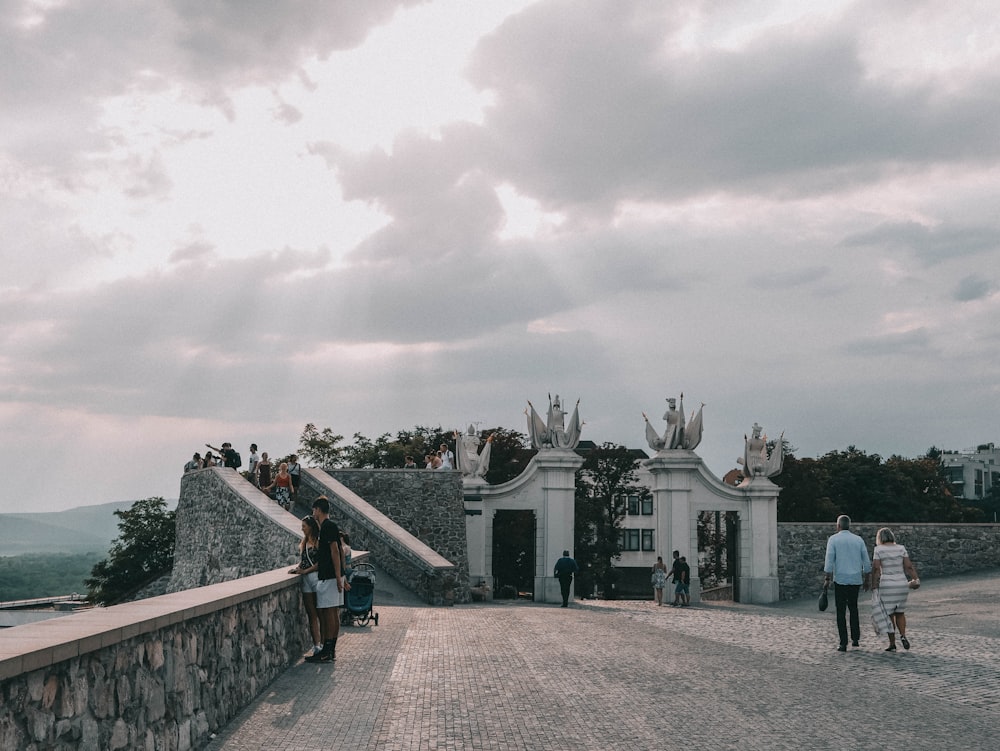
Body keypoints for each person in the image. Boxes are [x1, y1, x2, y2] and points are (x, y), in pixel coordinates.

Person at [306, 496, 348, 662]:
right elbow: (339, 550)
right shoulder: (329, 527)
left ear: (318, 510)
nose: (313, 513)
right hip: (333, 575)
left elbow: (335, 551)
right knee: (332, 612)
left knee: (329, 612)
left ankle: (327, 650)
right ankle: (330, 650)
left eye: (314, 510)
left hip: (329, 576)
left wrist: (338, 577)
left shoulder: (327, 527)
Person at [823, 514, 872, 651]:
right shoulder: (858, 540)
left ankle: (843, 642)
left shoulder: (833, 539)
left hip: (841, 579)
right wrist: (867, 579)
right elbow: (866, 562)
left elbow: (829, 560)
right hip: (855, 579)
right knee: (853, 608)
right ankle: (855, 638)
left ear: (838, 526)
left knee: (841, 611)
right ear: (849, 525)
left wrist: (827, 578)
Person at [871, 527, 920, 652]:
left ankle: (892, 643)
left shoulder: (878, 550)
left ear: (879, 538)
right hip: (902, 584)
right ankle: (903, 635)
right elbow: (908, 566)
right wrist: (916, 579)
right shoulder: (901, 548)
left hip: (887, 585)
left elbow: (876, 568)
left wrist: (874, 584)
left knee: (889, 615)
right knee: (900, 612)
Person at [289, 516, 323, 657]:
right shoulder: (304, 542)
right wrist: (298, 569)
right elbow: (304, 561)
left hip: (315, 578)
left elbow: (320, 563)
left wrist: (305, 571)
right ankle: (316, 645)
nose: (302, 528)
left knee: (320, 613)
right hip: (306, 579)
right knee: (311, 614)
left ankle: (324, 644)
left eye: (304, 526)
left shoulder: (318, 542)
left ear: (310, 527)